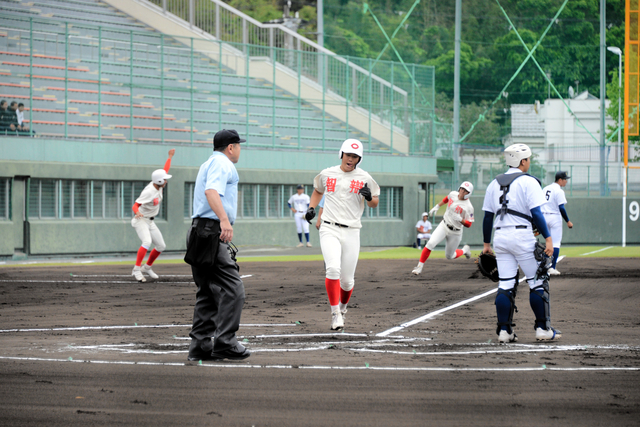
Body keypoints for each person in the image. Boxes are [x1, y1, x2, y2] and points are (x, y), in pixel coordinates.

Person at [481, 143, 560, 343]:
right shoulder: (529, 181)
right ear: (522, 161)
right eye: (528, 159)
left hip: (500, 237)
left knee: (505, 283)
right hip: (521, 237)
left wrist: (486, 245)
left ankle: (504, 332)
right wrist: (549, 238)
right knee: (537, 281)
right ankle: (543, 328)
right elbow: (537, 214)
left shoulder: (493, 183)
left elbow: (488, 218)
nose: (529, 162)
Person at [186, 129, 250, 362]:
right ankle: (225, 342)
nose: (240, 149)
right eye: (238, 145)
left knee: (208, 291)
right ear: (230, 147)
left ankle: (200, 346)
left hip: (199, 231)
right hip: (210, 231)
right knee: (234, 289)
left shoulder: (208, 163)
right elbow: (211, 191)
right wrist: (224, 220)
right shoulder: (222, 164)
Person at [305, 138, 380, 330]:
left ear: (359, 159)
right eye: (348, 155)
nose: (351, 159)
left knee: (347, 281)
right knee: (332, 270)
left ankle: (343, 308)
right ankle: (335, 313)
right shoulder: (327, 173)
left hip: (352, 231)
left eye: (355, 156)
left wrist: (369, 197)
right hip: (329, 227)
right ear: (341, 154)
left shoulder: (364, 178)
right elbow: (317, 191)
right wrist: (311, 208)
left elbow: (374, 202)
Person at [130, 149, 175, 282]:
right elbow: (135, 205)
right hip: (141, 220)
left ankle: (147, 267)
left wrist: (170, 157)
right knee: (147, 242)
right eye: (165, 180)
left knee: (161, 246)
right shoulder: (149, 191)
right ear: (159, 181)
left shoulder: (159, 185)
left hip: (150, 221)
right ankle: (136, 269)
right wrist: (137, 212)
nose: (166, 181)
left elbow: (165, 170)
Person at [411, 183, 474, 275]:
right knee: (430, 243)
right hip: (444, 225)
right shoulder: (453, 194)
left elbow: (469, 224)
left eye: (465, 191)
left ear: (469, 193)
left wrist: (460, 220)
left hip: (455, 232)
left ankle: (464, 250)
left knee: (449, 256)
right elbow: (447, 198)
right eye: (461, 189)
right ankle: (419, 267)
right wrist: (437, 206)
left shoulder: (468, 207)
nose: (462, 191)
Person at [541, 171, 574, 275]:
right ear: (560, 180)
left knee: (548, 242)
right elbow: (561, 208)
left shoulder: (545, 188)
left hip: (543, 216)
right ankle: (552, 267)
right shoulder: (559, 191)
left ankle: (546, 265)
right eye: (565, 179)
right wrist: (568, 221)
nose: (566, 181)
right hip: (554, 217)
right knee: (555, 243)